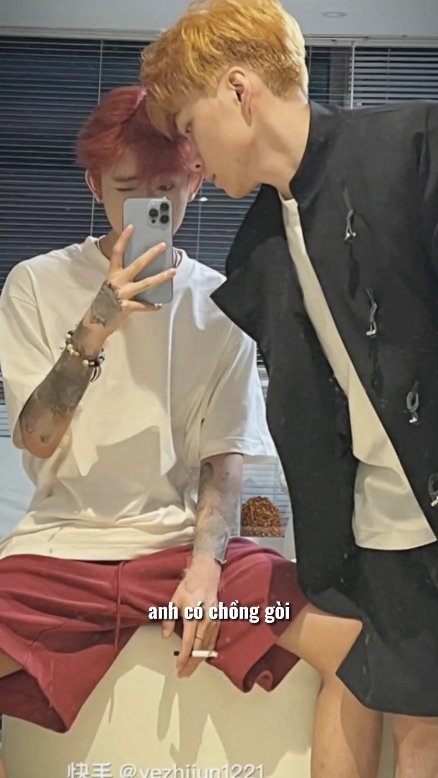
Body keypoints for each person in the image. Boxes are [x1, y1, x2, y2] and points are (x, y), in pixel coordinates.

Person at [0, 84, 361, 777]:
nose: (147, 205)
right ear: (94, 185)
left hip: (175, 555)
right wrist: (97, 324)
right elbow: (38, 438)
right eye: (126, 188)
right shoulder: (35, 285)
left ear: (196, 182)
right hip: (58, 556)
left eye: (165, 189)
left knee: (350, 641)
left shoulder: (220, 306)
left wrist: (205, 569)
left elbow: (224, 460)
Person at [140, 3, 438, 777]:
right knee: (413, 726)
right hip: (380, 525)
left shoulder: (413, 148)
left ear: (240, 91)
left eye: (191, 126)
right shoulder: (262, 247)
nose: (192, 155)